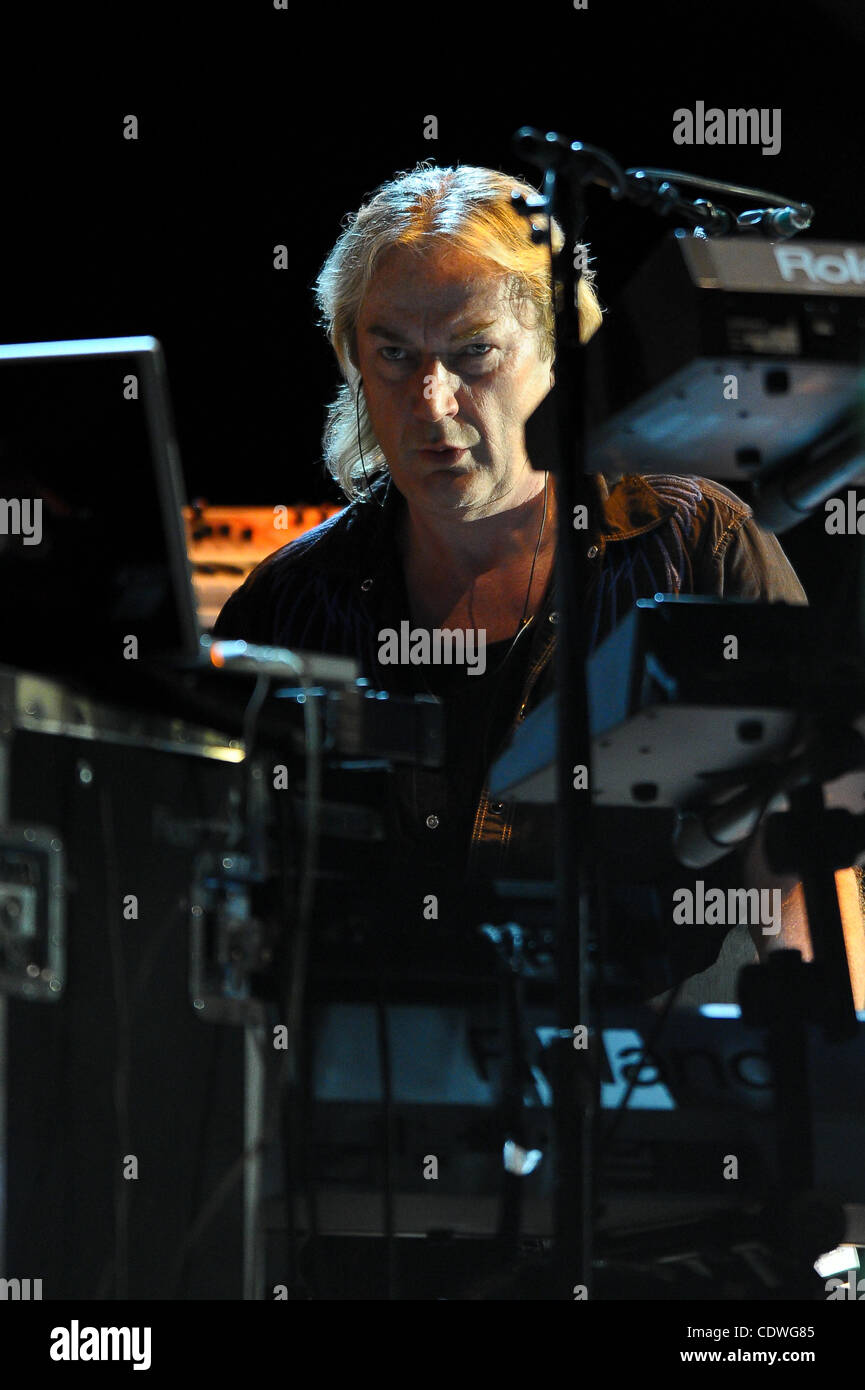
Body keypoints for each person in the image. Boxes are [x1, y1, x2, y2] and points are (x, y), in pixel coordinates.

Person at [214, 161, 862, 1000]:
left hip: (640, 1075)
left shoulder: (695, 541)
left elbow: (798, 849)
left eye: (473, 351)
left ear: (559, 349)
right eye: (393, 354)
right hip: (377, 1095)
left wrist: (828, 1067)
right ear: (349, 358)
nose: (432, 400)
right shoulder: (285, 605)